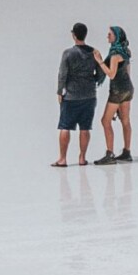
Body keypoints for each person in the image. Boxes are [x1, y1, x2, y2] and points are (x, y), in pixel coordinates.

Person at [53, 22, 104, 167]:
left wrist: (59, 91)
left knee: (65, 126)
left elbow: (62, 74)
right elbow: (100, 74)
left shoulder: (68, 53)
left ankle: (62, 159)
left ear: (74, 35)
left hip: (71, 96)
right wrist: (92, 80)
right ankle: (82, 157)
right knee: (85, 128)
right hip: (89, 95)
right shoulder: (94, 52)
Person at [92, 25, 134, 164]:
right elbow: (128, 71)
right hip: (128, 88)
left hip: (117, 91)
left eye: (110, 34)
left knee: (105, 120)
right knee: (125, 120)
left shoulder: (115, 55)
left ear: (116, 36)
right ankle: (127, 152)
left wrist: (99, 61)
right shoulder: (126, 51)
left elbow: (111, 74)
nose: (107, 36)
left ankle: (109, 154)